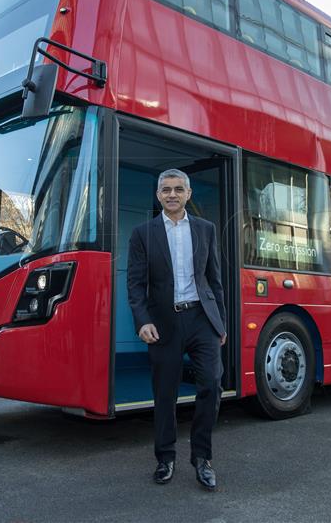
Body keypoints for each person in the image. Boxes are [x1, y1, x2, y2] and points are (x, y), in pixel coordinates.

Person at [127, 168, 226, 491]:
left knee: (211, 383)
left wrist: (220, 323)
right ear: (158, 195)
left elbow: (214, 281)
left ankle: (202, 458)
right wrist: (143, 321)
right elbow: (135, 283)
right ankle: (165, 457)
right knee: (165, 394)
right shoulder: (143, 233)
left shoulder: (206, 229)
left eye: (178, 189)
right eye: (166, 189)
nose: (172, 194)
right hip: (163, 322)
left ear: (188, 194)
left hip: (202, 318)